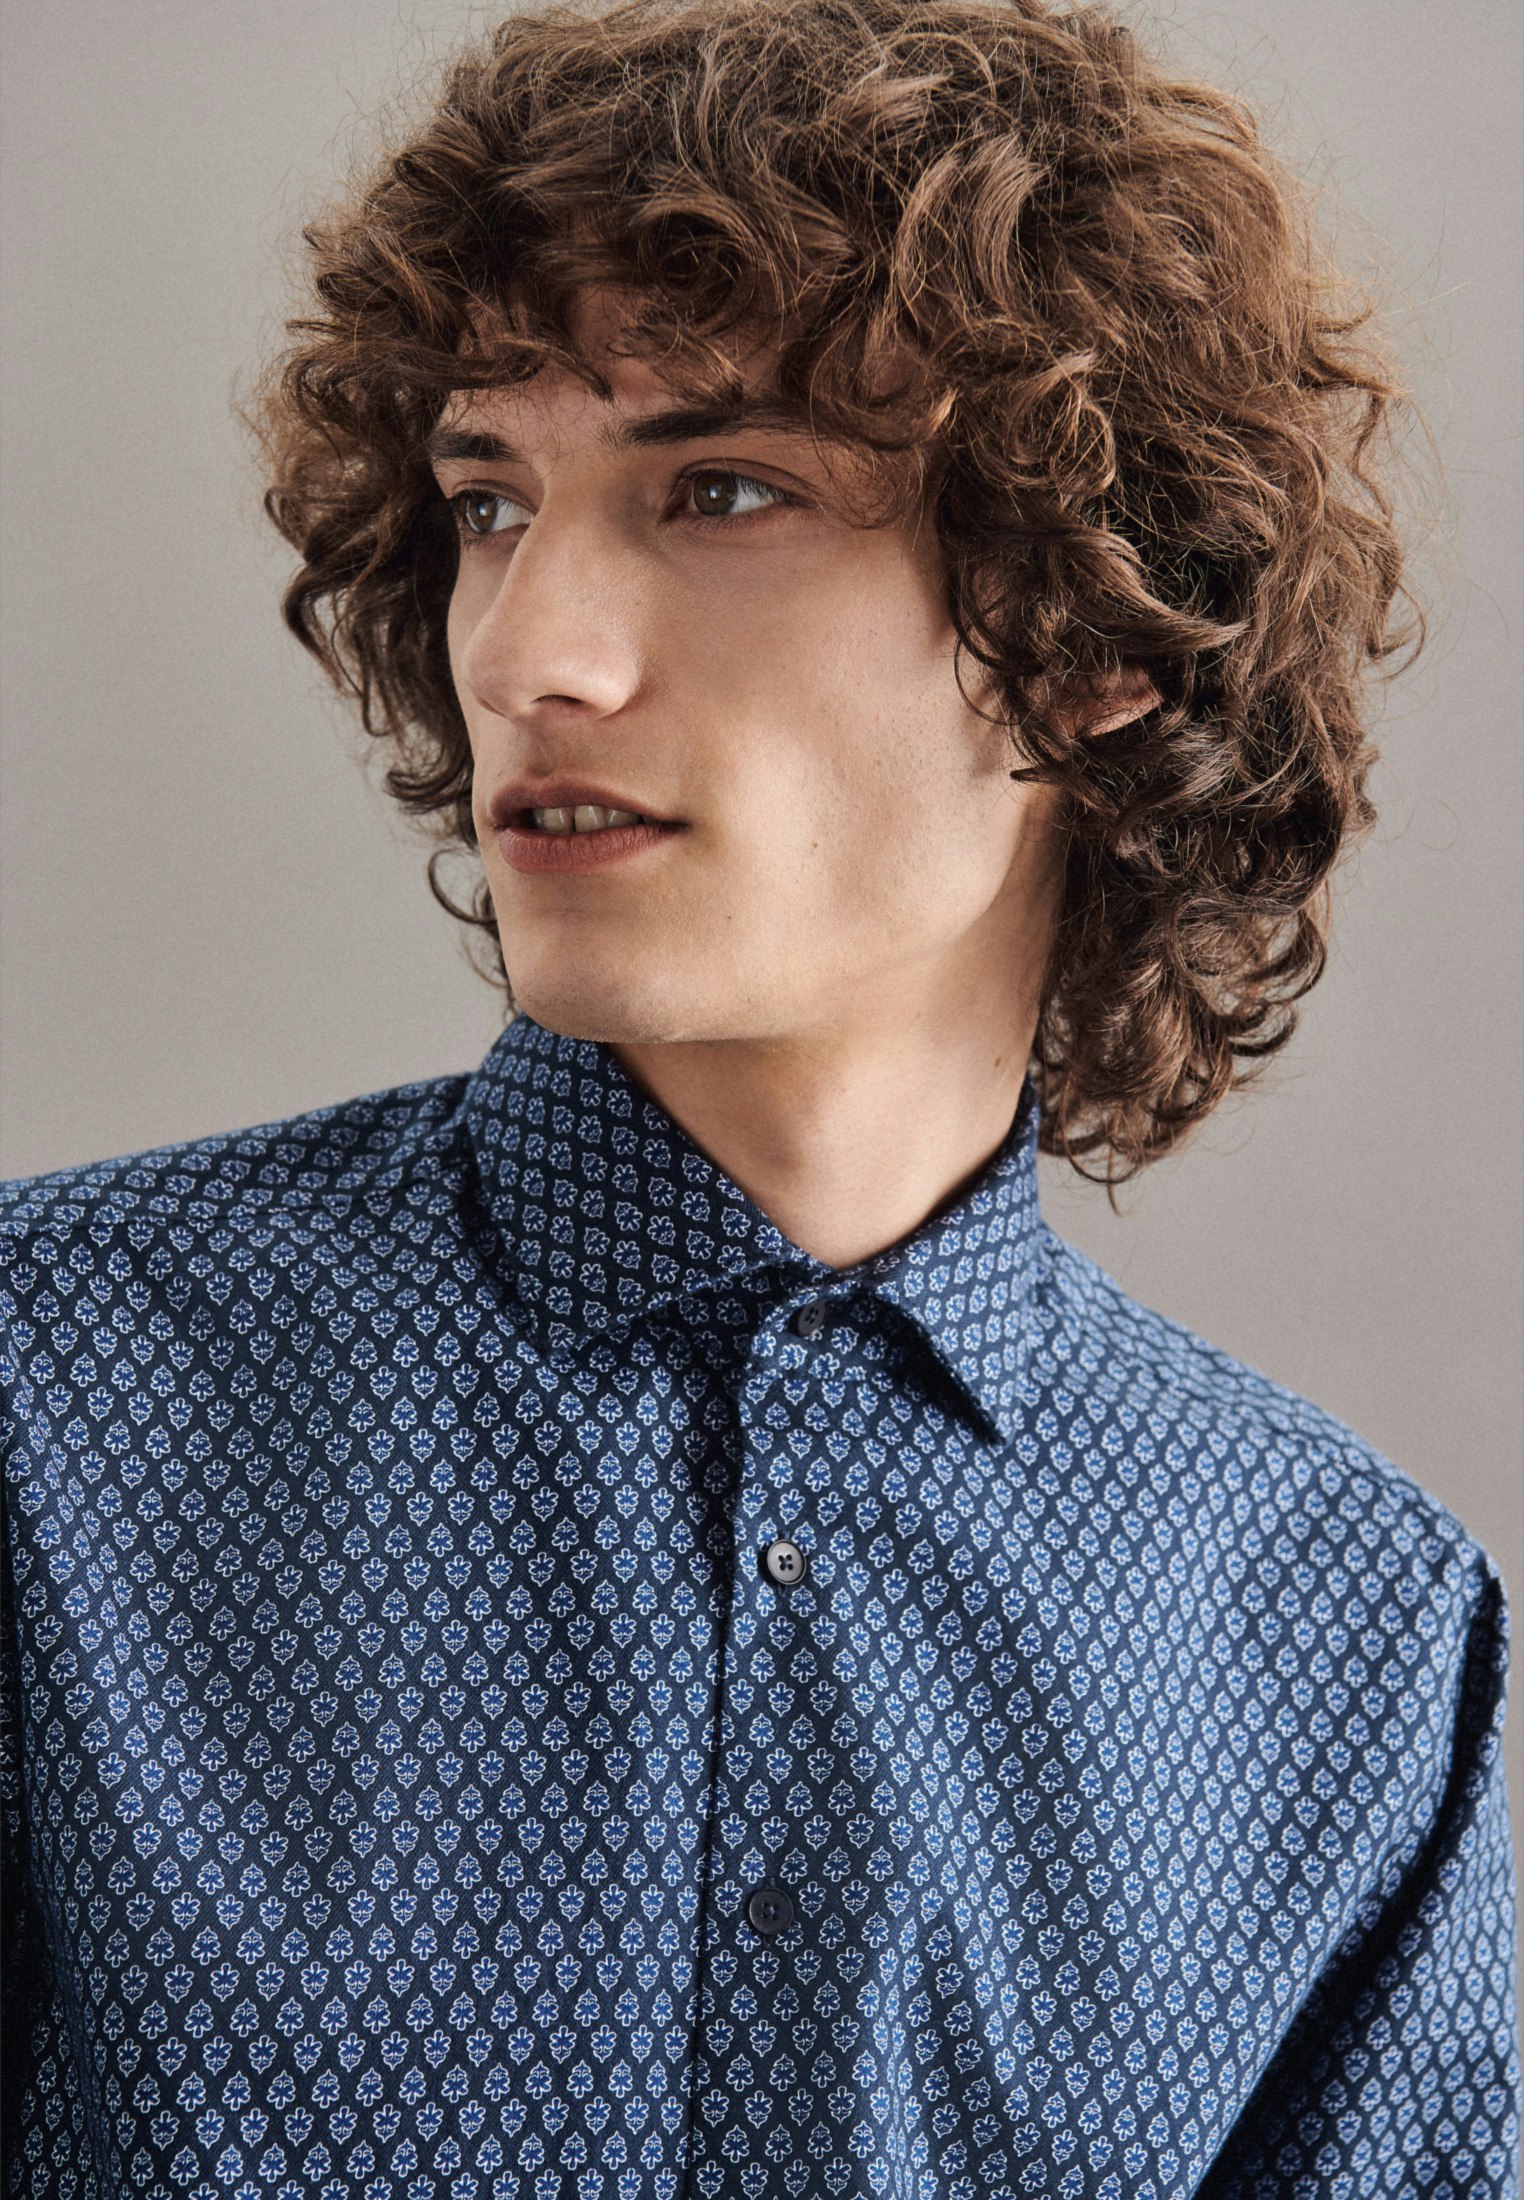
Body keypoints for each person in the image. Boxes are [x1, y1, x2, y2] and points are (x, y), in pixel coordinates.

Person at [1, 0, 1515, 2190]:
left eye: (722, 490)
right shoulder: (50, 1397)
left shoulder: (1345, 1636)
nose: (527, 650)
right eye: (489, 502)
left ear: (1101, 632)